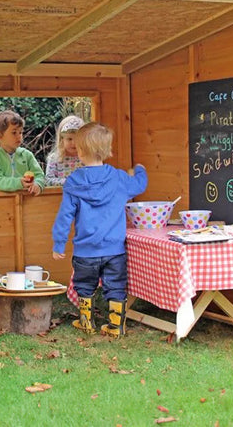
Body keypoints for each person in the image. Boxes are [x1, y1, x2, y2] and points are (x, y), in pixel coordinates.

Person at [52, 122, 148, 337]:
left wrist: (58, 243)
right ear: (106, 150)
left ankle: (86, 322)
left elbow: (64, 216)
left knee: (84, 285)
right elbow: (139, 185)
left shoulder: (74, 182)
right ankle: (116, 326)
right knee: (115, 286)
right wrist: (139, 170)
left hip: (85, 251)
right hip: (114, 250)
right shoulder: (119, 178)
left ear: (81, 151)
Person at [0, 109, 45, 194]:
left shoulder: (27, 155)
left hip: (26, 203)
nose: (19, 136)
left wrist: (38, 184)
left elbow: (39, 175)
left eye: (20, 132)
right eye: (14, 133)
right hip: (0, 204)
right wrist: (18, 183)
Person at [45, 114, 85, 186]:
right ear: (62, 139)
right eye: (69, 139)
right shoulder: (54, 159)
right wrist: (67, 182)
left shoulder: (87, 158)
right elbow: (48, 180)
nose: (74, 143)